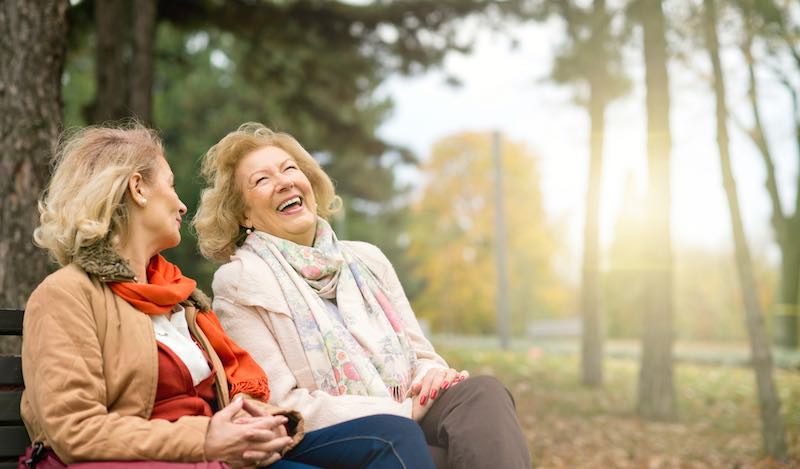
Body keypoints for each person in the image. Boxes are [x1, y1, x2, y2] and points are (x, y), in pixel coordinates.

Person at [22, 123, 435, 469]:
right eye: (171, 185)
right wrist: (205, 436)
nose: (182, 205)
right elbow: (73, 428)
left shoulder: (180, 299)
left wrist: (267, 422)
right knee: (394, 436)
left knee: (393, 435)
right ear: (138, 189)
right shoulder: (66, 296)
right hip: (168, 458)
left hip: (221, 457)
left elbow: (236, 391)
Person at [193, 122, 532, 469]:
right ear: (243, 214)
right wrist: (398, 410)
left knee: (483, 393)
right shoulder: (240, 282)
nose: (283, 182)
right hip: (336, 434)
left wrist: (431, 375)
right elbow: (282, 403)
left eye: (289, 169)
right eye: (261, 180)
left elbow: (421, 355)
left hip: (410, 407)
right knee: (433, 455)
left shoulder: (367, 258)